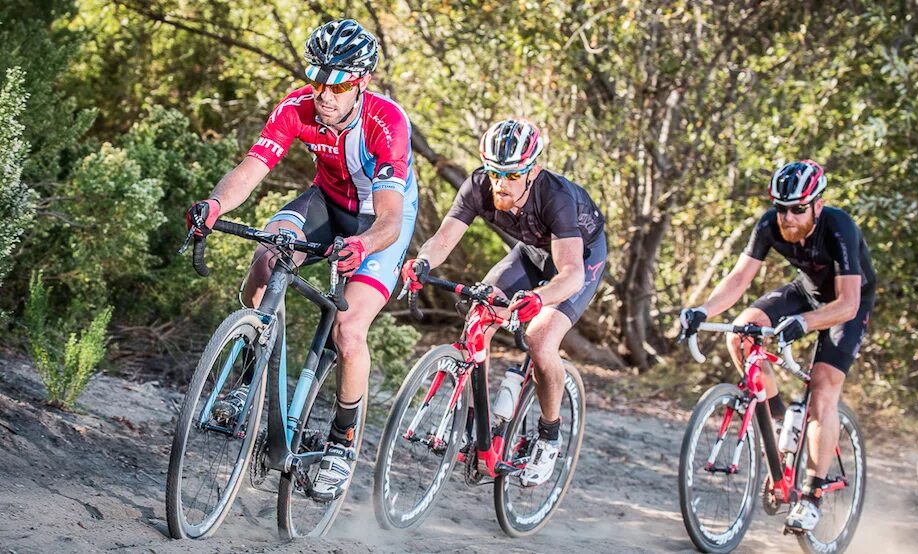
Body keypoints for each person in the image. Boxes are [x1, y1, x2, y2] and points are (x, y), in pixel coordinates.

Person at [186, 18, 418, 500]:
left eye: (337, 84)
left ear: (362, 82)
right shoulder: (297, 107)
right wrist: (215, 205)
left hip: (378, 223)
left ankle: (341, 442)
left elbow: (392, 220)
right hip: (327, 204)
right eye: (316, 80)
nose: (324, 95)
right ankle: (245, 382)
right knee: (267, 256)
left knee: (348, 330)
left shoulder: (387, 122)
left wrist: (363, 245)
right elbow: (251, 168)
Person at [401, 118, 606, 487]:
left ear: (533, 170)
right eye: (495, 172)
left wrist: (539, 299)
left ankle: (549, 437)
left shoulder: (556, 196)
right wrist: (422, 262)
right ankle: (476, 429)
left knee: (541, 339)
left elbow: (571, 273)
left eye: (512, 176)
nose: (501, 183)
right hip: (530, 254)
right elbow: (444, 238)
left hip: (580, 260)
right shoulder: (479, 185)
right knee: (480, 312)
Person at [679, 160, 875, 532]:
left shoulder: (839, 227)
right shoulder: (770, 224)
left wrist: (803, 323)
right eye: (781, 207)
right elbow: (739, 279)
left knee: (822, 390)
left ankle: (813, 495)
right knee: (741, 333)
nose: (787, 217)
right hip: (807, 290)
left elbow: (848, 303)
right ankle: (780, 419)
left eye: (798, 208)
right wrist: (702, 311)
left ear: (818, 204)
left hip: (848, 304)